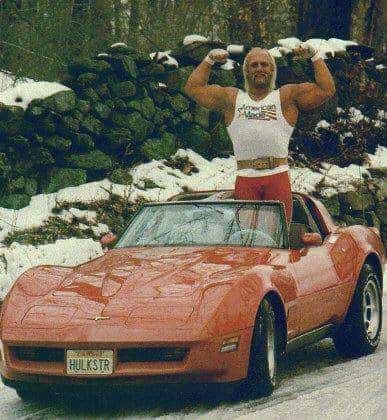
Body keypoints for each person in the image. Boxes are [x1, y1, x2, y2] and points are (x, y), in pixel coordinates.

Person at [184, 44, 336, 224]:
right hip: (246, 178)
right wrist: (208, 60)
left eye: (264, 64)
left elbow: (326, 89)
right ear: (246, 70)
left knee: (277, 240)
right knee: (248, 240)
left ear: (272, 69)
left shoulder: (285, 97)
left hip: (277, 177)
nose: (259, 69)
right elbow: (193, 88)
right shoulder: (232, 99)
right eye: (254, 65)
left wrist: (315, 55)